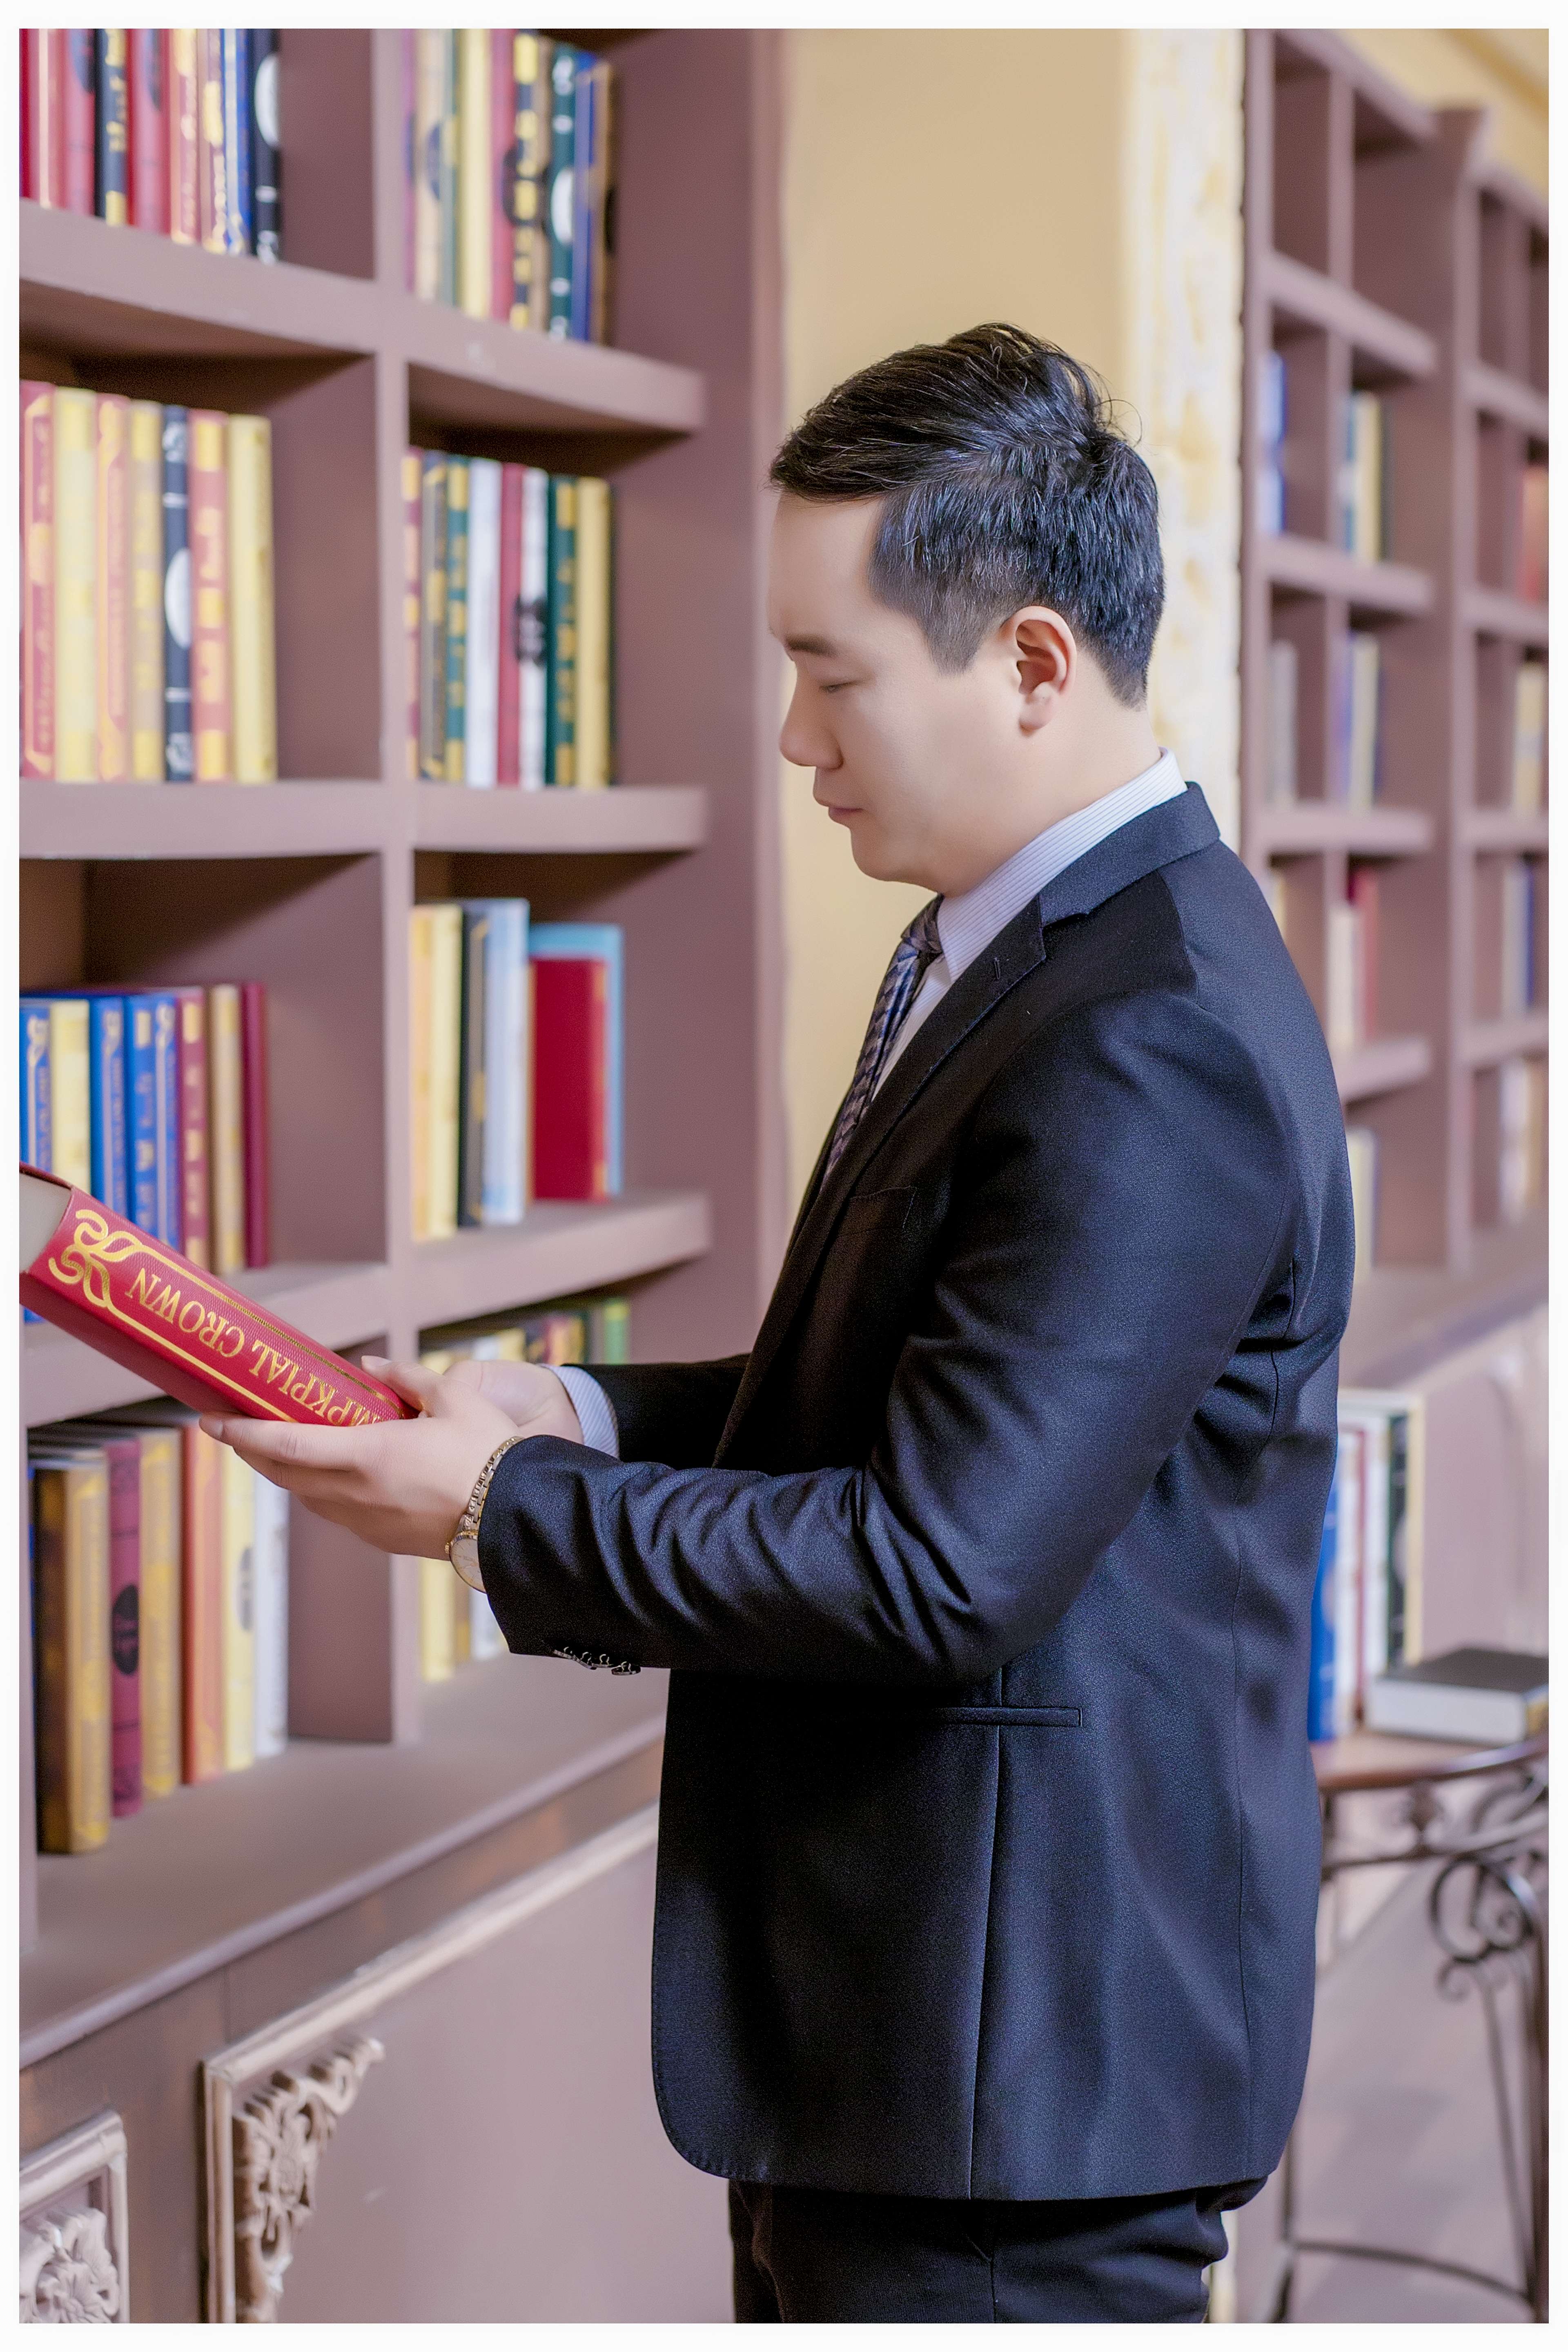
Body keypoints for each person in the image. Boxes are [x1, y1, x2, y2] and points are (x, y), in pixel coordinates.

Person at [206, 325, 1353, 2324]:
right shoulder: (1036, 952)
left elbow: (936, 1562)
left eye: (834, 676)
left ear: (1030, 665)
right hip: (932, 2058)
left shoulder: (1146, 1032)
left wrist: (495, 1508)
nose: (800, 742)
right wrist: (570, 1410)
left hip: (1014, 2099)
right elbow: (937, 1398)